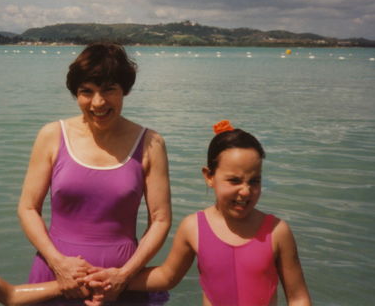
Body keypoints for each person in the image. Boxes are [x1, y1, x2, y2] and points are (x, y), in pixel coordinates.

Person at [86, 120, 312, 306]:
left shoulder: (276, 231)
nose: (246, 191)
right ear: (209, 176)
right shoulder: (193, 227)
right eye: (234, 180)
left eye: (255, 181)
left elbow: (299, 298)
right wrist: (115, 279)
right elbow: (167, 276)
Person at [18, 43, 172, 304]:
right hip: (56, 276)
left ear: (125, 90)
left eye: (109, 90)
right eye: (86, 92)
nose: (98, 102)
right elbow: (28, 208)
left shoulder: (150, 143)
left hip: (121, 282)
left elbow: (160, 220)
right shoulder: (52, 135)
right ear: (75, 94)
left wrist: (124, 275)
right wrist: (58, 264)